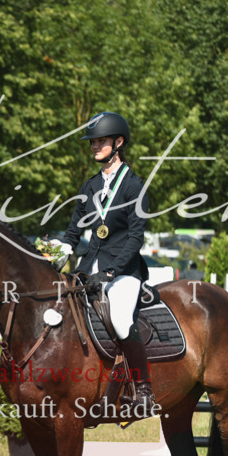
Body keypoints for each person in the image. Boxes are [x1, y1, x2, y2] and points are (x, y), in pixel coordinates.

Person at [59, 111, 155, 412]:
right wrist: (51, 253)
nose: (94, 146)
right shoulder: (89, 186)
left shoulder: (133, 187)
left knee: (122, 321)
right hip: (89, 268)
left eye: (100, 141)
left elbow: (135, 238)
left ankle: (143, 390)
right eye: (93, 141)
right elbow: (73, 233)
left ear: (118, 142)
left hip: (124, 271)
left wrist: (112, 271)